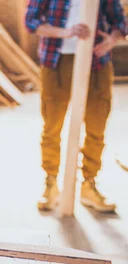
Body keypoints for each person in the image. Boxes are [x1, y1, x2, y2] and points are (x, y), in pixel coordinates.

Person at [25, 0, 127, 213]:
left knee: (96, 126)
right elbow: (31, 22)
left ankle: (89, 184)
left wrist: (111, 40)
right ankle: (50, 183)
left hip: (97, 61)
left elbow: (120, 23)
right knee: (52, 125)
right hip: (56, 61)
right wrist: (66, 32)